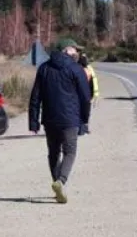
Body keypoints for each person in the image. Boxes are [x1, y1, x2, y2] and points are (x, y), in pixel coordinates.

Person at [28, 38, 92, 204]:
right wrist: (84, 119)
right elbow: (85, 97)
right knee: (70, 151)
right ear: (67, 50)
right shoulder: (76, 69)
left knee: (53, 153)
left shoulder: (44, 68)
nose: (78, 53)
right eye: (75, 50)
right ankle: (61, 181)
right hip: (70, 119)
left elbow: (35, 97)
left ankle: (57, 186)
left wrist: (33, 121)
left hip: (49, 120)